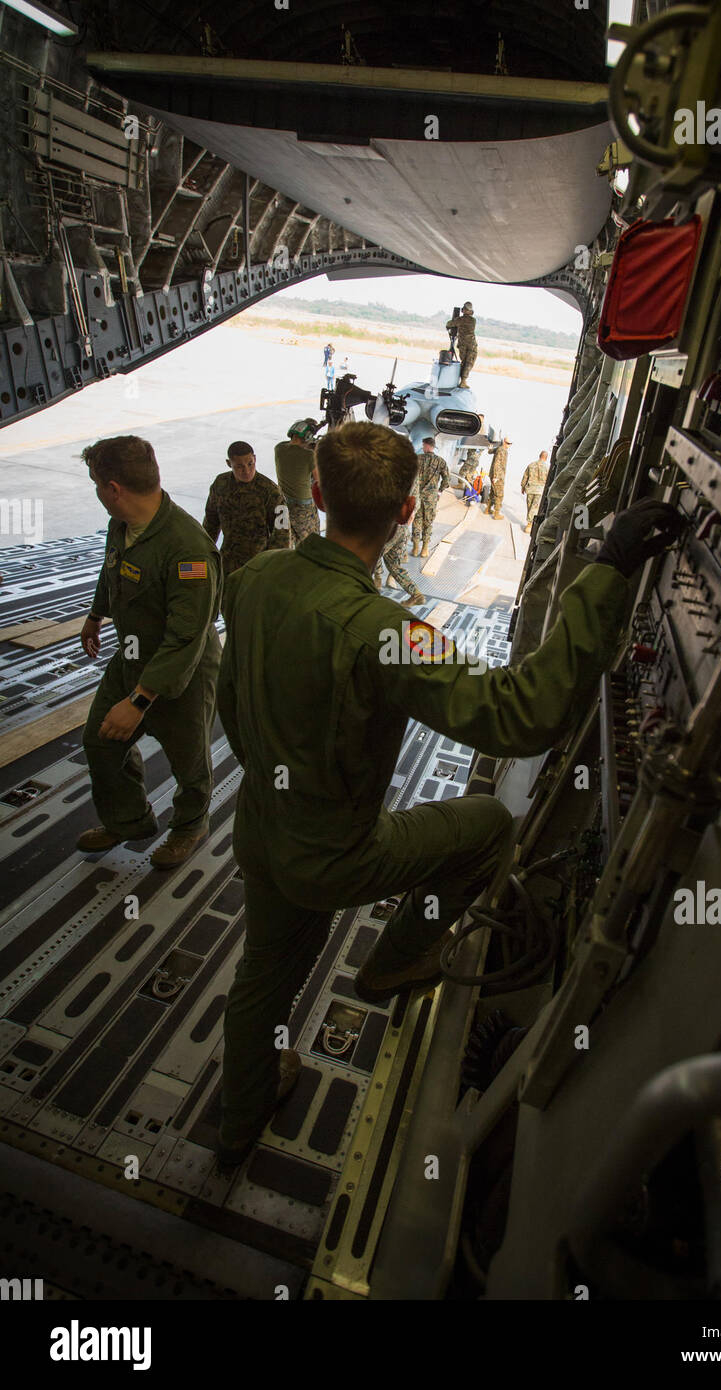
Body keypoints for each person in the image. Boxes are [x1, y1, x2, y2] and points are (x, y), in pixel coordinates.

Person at [215, 421, 684, 1168]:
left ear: (318, 493)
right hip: (333, 856)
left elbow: (230, 710)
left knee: (259, 988)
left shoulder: (252, 580)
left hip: (262, 834)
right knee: (488, 825)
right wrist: (608, 568)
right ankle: (396, 960)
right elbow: (518, 713)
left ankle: (236, 1124)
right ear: (407, 512)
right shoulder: (387, 630)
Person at [77, 435, 222, 870]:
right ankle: (130, 820)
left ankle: (190, 825)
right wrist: (95, 615)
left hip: (183, 672)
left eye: (97, 484)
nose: (98, 492)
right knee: (100, 742)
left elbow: (185, 638)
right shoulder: (121, 525)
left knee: (188, 761)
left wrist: (139, 701)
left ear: (114, 488)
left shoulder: (188, 549)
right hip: (131, 655)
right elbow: (112, 570)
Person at [203, 441, 289, 576]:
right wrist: (204, 553)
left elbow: (282, 533)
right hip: (228, 563)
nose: (247, 471)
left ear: (255, 459)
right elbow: (211, 523)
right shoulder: (220, 484)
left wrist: (273, 568)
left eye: (250, 464)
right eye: (239, 466)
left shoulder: (270, 491)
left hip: (258, 565)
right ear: (228, 463)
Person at [274, 419, 322, 547]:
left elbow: (292, 446)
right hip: (303, 509)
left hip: (284, 503)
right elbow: (318, 480)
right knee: (312, 544)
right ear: (307, 437)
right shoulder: (309, 456)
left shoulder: (278, 449)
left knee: (290, 541)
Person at [411, 437, 449, 558]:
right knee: (428, 522)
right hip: (431, 498)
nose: (422, 448)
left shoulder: (417, 459)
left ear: (427, 446)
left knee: (416, 521)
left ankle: (415, 548)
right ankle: (425, 549)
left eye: (423, 445)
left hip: (417, 496)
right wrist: (440, 491)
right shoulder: (441, 461)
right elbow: (446, 479)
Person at [446, 302, 477, 387]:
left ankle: (461, 381)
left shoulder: (460, 320)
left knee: (464, 362)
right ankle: (463, 381)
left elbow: (449, 324)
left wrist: (454, 321)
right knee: (469, 362)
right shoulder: (473, 320)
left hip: (462, 344)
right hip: (472, 344)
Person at [521, 449, 549, 533]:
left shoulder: (531, 465)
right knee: (534, 507)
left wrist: (523, 487)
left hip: (530, 489)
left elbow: (525, 476)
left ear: (539, 456)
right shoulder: (547, 468)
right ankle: (529, 525)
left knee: (529, 506)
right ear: (546, 458)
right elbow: (548, 481)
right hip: (539, 491)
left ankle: (529, 523)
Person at [486, 436, 511, 520]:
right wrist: (496, 476)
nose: (509, 445)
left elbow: (490, 451)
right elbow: (497, 463)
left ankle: (487, 509)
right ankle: (496, 514)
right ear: (504, 441)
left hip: (494, 475)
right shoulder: (502, 450)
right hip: (498, 477)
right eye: (508, 443)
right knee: (499, 495)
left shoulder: (499, 448)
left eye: (510, 444)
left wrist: (490, 447)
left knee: (493, 493)